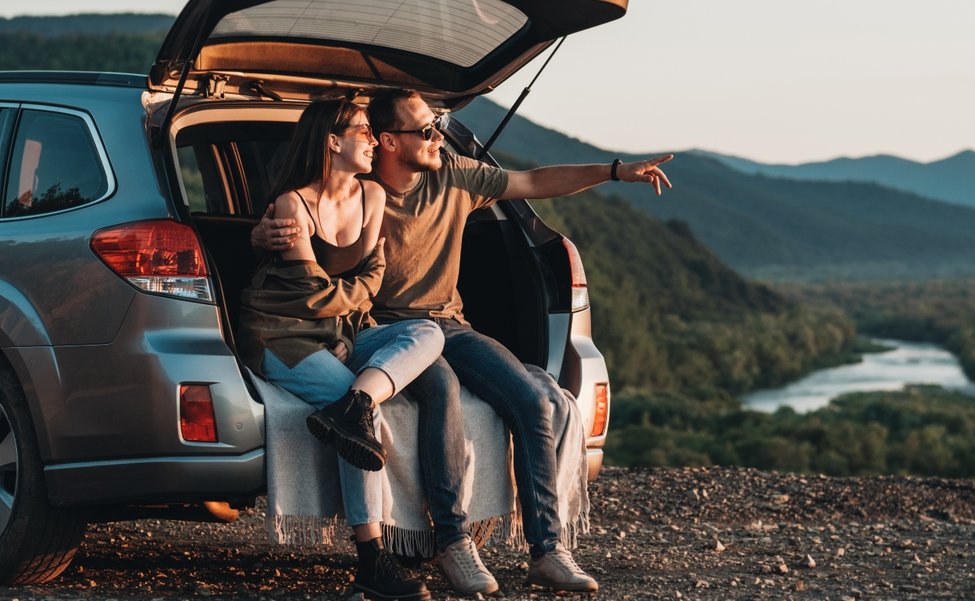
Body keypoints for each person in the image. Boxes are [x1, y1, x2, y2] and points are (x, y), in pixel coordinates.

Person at [254, 89, 672, 595]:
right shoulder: (358, 183)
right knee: (441, 391)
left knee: (534, 397)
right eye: (425, 130)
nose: (437, 137)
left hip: (448, 323)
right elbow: (317, 229)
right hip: (383, 330)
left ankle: (547, 549)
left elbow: (533, 181)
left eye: (437, 127)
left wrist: (614, 171)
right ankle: (454, 542)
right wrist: (265, 234)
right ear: (386, 140)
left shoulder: (451, 173)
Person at [238, 99, 442, 601]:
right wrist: (354, 293)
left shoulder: (373, 195)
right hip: (281, 334)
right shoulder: (292, 204)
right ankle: (372, 560)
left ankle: (357, 402)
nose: (374, 140)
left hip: (340, 334)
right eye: (364, 131)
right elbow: (312, 295)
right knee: (363, 428)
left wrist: (353, 296)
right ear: (333, 140)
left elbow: (373, 280)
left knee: (428, 334)